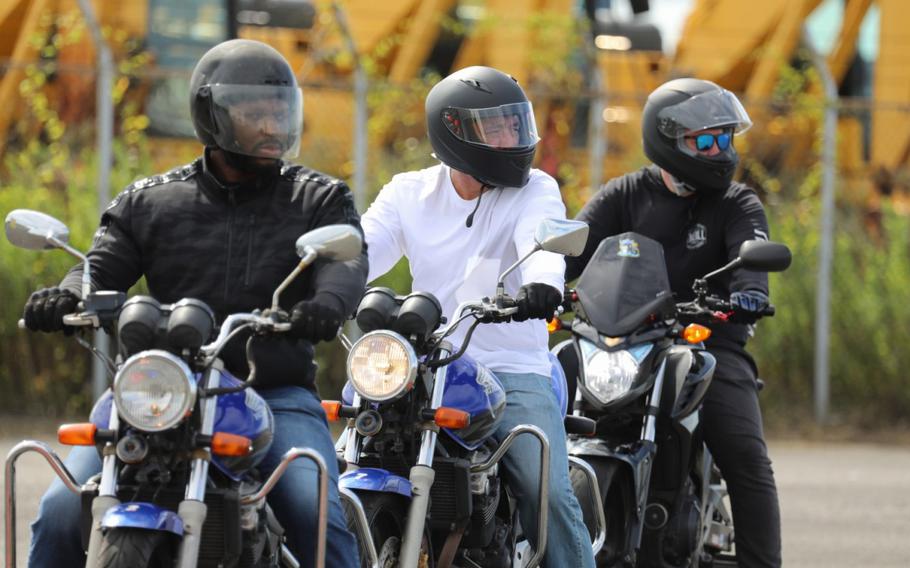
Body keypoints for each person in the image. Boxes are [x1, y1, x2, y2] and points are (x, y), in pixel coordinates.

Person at [22, 39, 364, 568]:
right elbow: (96, 268)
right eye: (254, 114)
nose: (272, 127)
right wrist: (67, 295)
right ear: (214, 114)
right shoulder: (150, 201)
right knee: (61, 508)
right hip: (158, 395)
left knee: (311, 506)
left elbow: (346, 264)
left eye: (279, 112)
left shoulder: (318, 198)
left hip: (270, 391)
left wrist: (328, 303)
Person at [361, 65, 595, 568]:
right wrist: (327, 285)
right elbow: (363, 251)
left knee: (546, 493)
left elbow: (542, 241)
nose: (511, 137)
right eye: (497, 127)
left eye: (515, 124)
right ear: (454, 131)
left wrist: (541, 285)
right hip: (421, 365)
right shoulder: (407, 192)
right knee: (348, 454)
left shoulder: (534, 189)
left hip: (508, 367)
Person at [565, 77, 781, 568]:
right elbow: (572, 251)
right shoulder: (624, 195)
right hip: (625, 345)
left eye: (726, 138)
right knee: (550, 421)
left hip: (707, 346)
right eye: (705, 140)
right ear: (666, 139)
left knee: (744, 454)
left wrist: (749, 294)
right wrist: (543, 284)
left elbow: (751, 262)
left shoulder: (736, 203)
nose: (720, 150)